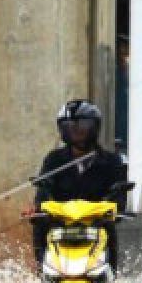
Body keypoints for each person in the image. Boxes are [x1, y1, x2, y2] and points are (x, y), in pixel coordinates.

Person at [30, 99, 128, 271]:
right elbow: (42, 191)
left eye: (82, 125)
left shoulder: (111, 161)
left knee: (108, 231)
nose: (76, 130)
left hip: (96, 225)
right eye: (69, 125)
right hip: (60, 225)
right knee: (41, 228)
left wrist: (114, 209)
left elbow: (119, 197)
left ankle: (109, 282)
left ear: (95, 127)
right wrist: (38, 209)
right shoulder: (54, 159)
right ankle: (42, 273)